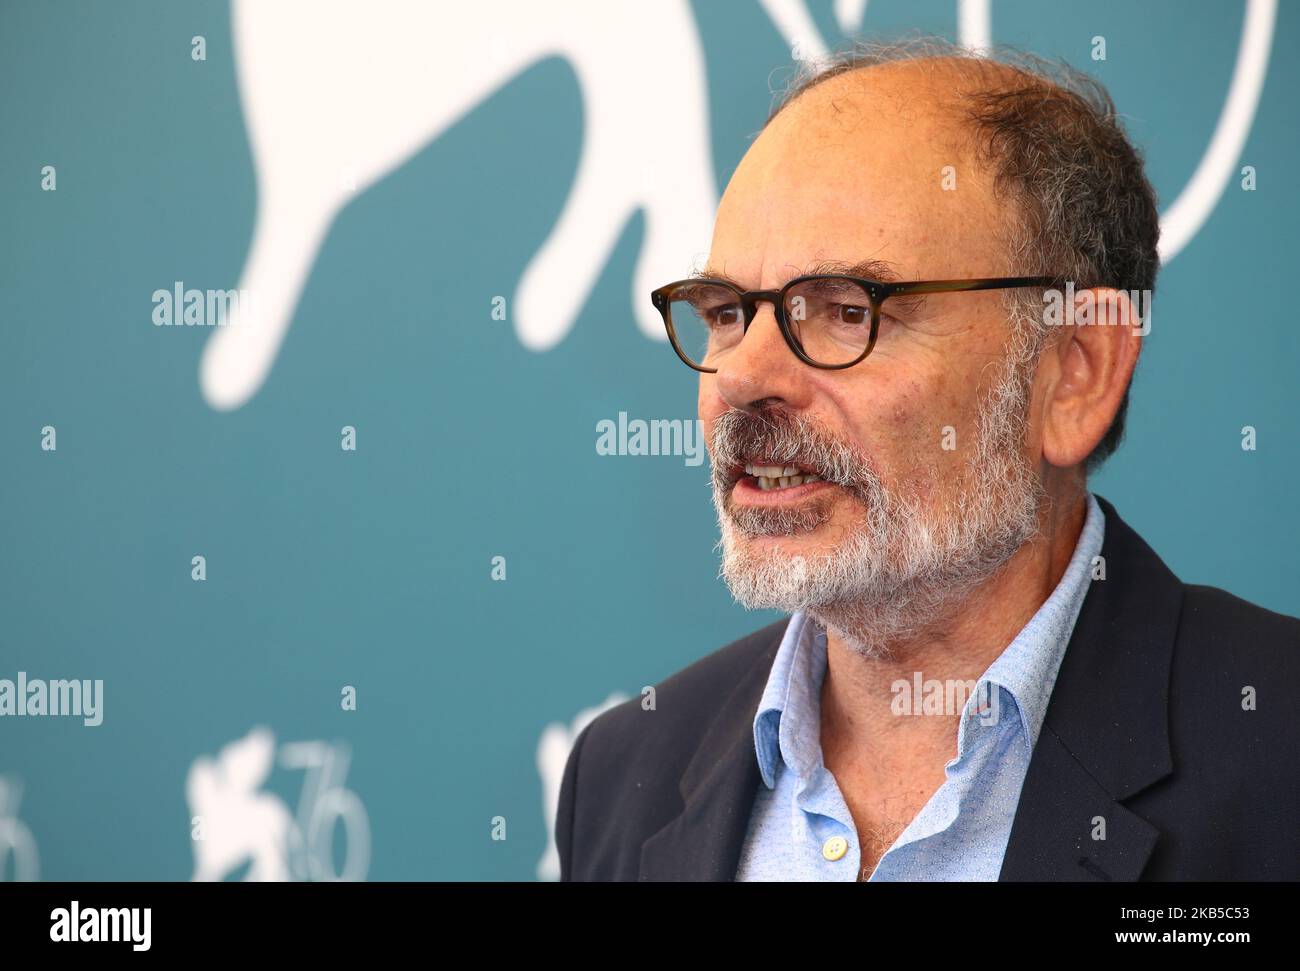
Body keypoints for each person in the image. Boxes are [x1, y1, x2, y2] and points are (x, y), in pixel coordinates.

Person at [556, 38, 1299, 881]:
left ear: (1074, 373)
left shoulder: (1278, 750)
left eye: (844, 310)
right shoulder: (625, 775)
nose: (742, 378)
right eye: (726, 311)